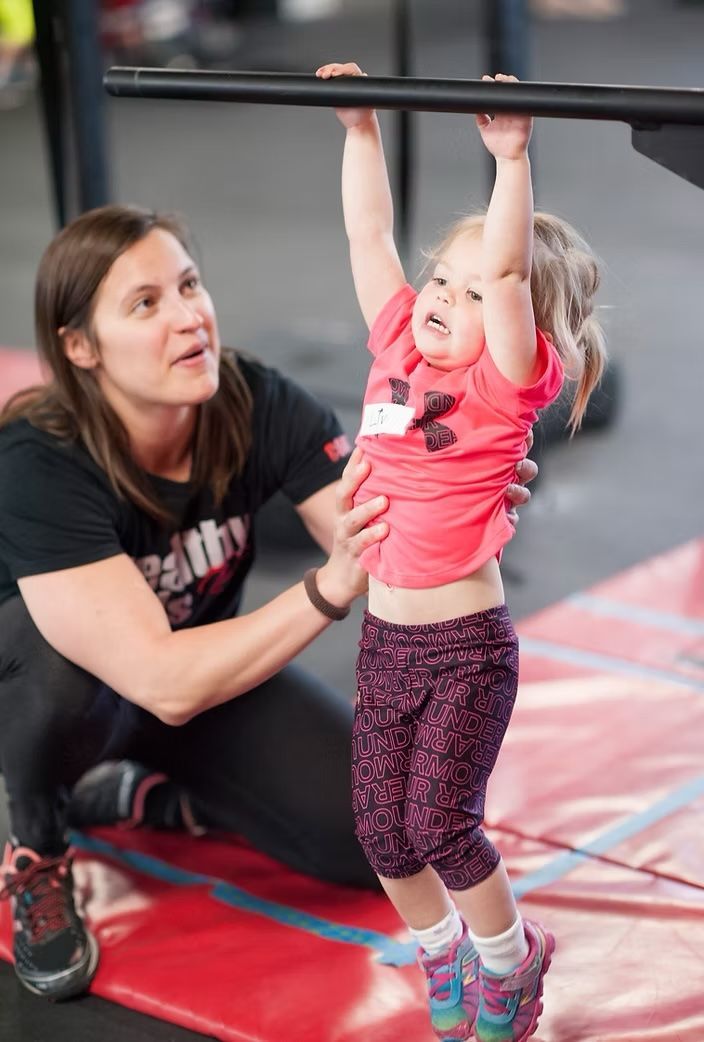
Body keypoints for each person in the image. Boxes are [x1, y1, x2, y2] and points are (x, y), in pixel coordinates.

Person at [0, 203, 537, 1003]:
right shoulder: (39, 459)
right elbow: (159, 677)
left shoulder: (257, 402)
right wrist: (327, 586)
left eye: (189, 285)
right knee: (61, 681)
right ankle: (37, 842)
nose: (189, 318)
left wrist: (461, 485)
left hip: (208, 670)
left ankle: (144, 797)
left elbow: (375, 533)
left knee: (376, 837)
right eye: (146, 304)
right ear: (80, 348)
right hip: (91, 691)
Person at [316, 61, 606, 1042]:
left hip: (463, 649)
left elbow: (512, 271)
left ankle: (505, 957)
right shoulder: (396, 340)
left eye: (466, 289)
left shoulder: (501, 383)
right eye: (441, 276)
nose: (442, 295)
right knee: (381, 831)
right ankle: (440, 946)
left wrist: (509, 159)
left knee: (441, 825)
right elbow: (366, 233)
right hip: (385, 644)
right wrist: (358, 129)